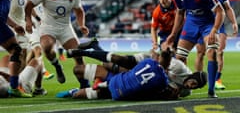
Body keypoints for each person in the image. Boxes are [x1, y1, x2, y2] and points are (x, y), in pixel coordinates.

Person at [57, 48, 207, 100]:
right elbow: (162, 66)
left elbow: (160, 94)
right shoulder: (179, 67)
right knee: (117, 60)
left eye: (194, 87)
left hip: (137, 82)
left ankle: (76, 91)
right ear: (191, 75)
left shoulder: (186, 91)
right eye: (192, 83)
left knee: (82, 75)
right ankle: (84, 52)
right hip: (141, 66)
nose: (190, 86)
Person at [165, 0, 225, 98]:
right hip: (191, 23)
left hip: (207, 24)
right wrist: (173, 33)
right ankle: (182, 88)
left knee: (212, 53)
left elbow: (220, 12)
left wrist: (214, 30)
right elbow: (180, 13)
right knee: (179, 57)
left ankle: (211, 90)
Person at [25, 0, 90, 88]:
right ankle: (57, 66)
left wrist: (82, 25)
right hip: (48, 27)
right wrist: (29, 21)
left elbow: (79, 11)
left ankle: (84, 85)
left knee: (78, 55)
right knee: (46, 47)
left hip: (65, 28)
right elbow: (29, 5)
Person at [195, 0, 238, 90]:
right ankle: (199, 79)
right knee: (200, 52)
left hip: (219, 25)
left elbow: (228, 8)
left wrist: (234, 22)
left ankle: (217, 79)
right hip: (202, 24)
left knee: (219, 51)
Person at [0, 0, 32, 97]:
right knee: (16, 50)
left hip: (1, 23)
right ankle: (13, 88)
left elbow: (4, 13)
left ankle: (13, 88)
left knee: (16, 50)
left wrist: (14, 25)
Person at [27, 0, 54, 81]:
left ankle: (23, 76)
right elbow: (30, 10)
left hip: (41, 31)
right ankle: (44, 71)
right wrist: (38, 19)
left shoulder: (44, 0)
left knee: (31, 56)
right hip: (31, 30)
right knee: (38, 50)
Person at [8, 0, 29, 71]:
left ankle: (19, 81)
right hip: (9, 26)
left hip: (21, 26)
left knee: (24, 53)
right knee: (15, 53)